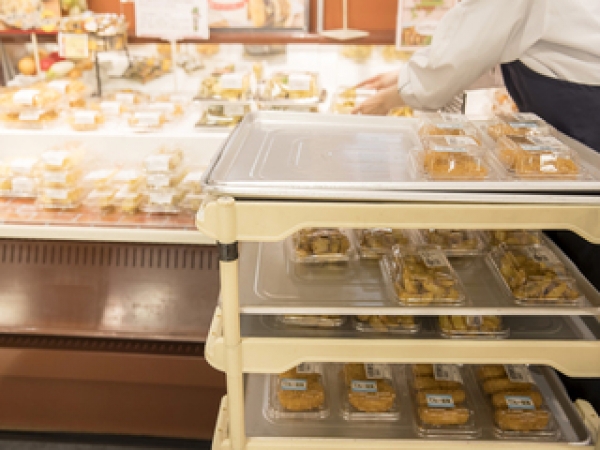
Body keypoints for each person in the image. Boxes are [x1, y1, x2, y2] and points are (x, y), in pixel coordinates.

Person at [353, 0, 600, 410]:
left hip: (586, 136)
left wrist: (400, 93)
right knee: (561, 286)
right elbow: (504, 43)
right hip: (571, 141)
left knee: (581, 298)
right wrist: (408, 77)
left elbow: (468, 46)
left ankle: (578, 408)